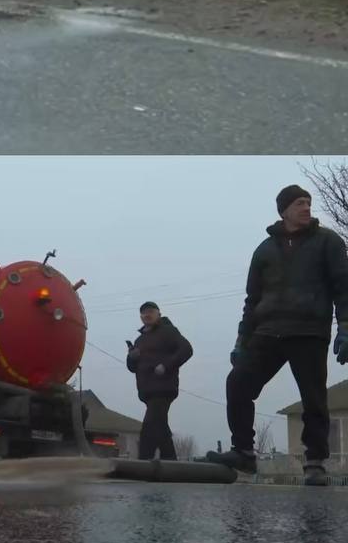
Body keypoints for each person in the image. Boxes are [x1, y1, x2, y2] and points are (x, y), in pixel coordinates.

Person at [206, 185, 348, 486]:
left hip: (309, 331)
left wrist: (345, 326)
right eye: (299, 203)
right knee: (238, 382)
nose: (306, 207)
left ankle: (315, 462)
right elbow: (252, 300)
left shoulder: (328, 241)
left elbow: (343, 287)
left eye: (308, 202)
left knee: (313, 397)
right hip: (268, 332)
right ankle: (244, 452)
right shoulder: (264, 250)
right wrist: (241, 341)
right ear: (284, 211)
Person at [125, 301, 193, 460]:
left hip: (164, 388)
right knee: (161, 430)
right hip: (146, 391)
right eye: (143, 313)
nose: (147, 315)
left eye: (150, 311)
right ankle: (171, 464)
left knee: (149, 428)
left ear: (159, 314)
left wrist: (166, 365)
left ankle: (142, 464)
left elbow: (187, 349)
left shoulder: (168, 331)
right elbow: (132, 368)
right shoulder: (139, 340)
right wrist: (131, 358)